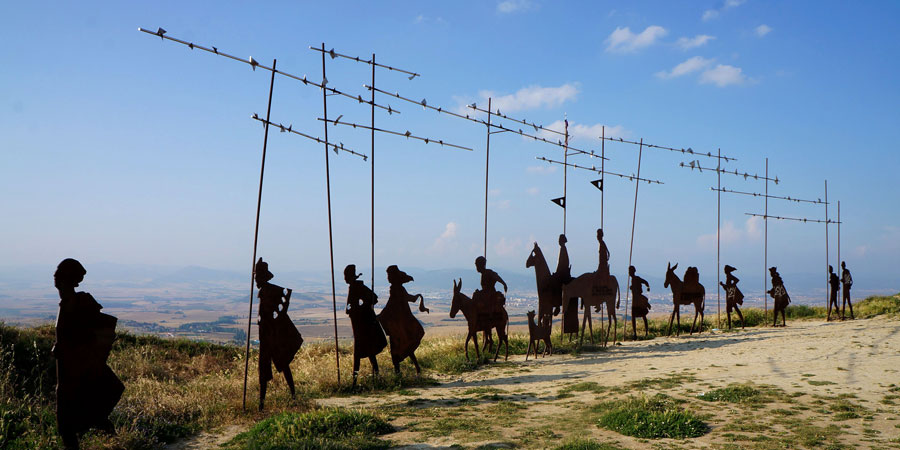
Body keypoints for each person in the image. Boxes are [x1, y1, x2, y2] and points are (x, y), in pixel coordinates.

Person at [53, 258, 124, 450]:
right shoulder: (67, 304)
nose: (55, 279)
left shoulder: (79, 303)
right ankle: (115, 442)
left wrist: (67, 348)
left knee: (69, 427)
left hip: (76, 374)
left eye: (59, 275)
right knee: (74, 425)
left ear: (66, 279)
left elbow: (88, 335)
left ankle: (115, 443)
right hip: (69, 376)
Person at [255, 258, 302, 411]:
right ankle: (262, 403)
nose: (255, 280)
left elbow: (285, 295)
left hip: (271, 335)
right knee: (264, 368)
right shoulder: (263, 292)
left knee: (282, 364)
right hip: (265, 335)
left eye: (257, 277)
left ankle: (293, 395)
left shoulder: (271, 290)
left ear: (263, 277)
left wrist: (277, 316)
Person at [378, 265, 429, 375]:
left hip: (397, 324)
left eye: (389, 275)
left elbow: (390, 305)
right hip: (402, 323)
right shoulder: (399, 288)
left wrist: (380, 316)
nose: (387, 278)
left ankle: (398, 373)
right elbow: (408, 298)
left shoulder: (396, 289)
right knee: (405, 345)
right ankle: (416, 368)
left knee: (396, 348)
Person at [344, 264, 387, 387]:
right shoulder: (353, 287)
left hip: (363, 324)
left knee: (360, 353)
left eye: (346, 276)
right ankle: (376, 375)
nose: (345, 279)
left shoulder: (358, 287)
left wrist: (360, 309)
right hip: (358, 324)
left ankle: (354, 383)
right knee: (368, 350)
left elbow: (374, 299)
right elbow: (349, 306)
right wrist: (351, 309)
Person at [719, 264, 745, 329]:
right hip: (730, 293)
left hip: (730, 294)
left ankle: (731, 326)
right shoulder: (728, 276)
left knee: (730, 309)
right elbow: (728, 286)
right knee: (734, 308)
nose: (724, 271)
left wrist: (730, 286)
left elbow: (736, 280)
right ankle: (740, 324)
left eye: (725, 270)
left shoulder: (729, 276)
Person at [629, 265, 651, 339]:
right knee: (634, 317)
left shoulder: (637, 278)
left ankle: (646, 332)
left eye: (630, 271)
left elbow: (645, 282)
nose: (629, 273)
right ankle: (635, 333)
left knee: (643, 315)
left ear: (633, 271)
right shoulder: (633, 279)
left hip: (638, 300)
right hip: (634, 300)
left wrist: (648, 287)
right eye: (629, 271)